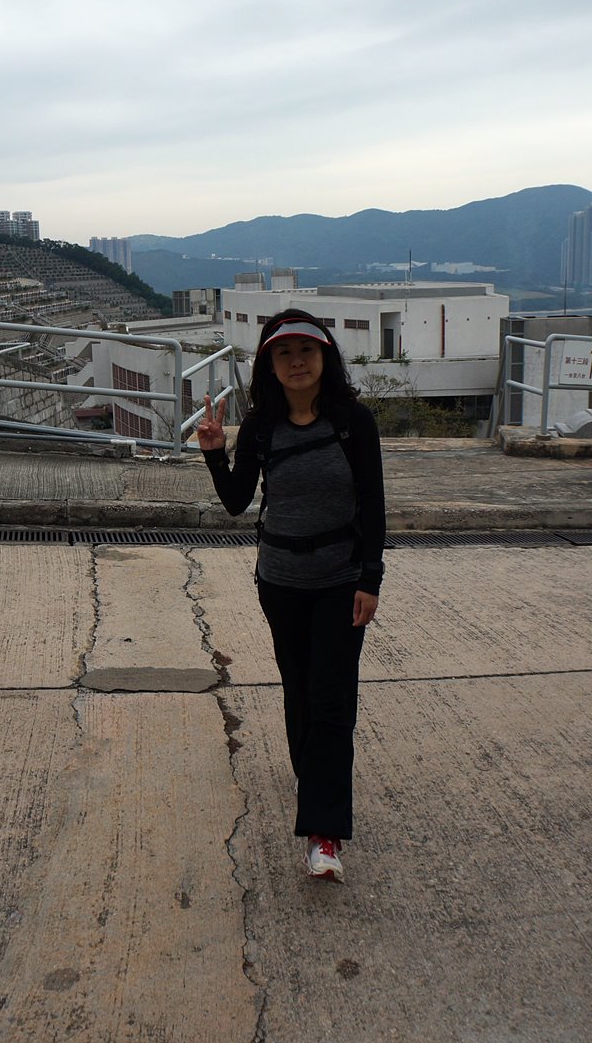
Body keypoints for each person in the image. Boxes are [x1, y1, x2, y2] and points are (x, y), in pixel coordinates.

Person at [196, 310, 385, 883]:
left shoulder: (353, 421)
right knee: (299, 688)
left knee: (332, 700)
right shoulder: (261, 427)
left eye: (306, 350)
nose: (297, 361)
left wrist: (370, 579)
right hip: (280, 582)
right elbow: (237, 502)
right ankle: (313, 775)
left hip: (340, 581)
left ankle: (324, 833)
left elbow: (373, 504)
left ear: (325, 356)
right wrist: (215, 451)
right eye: (284, 353)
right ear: (269, 364)